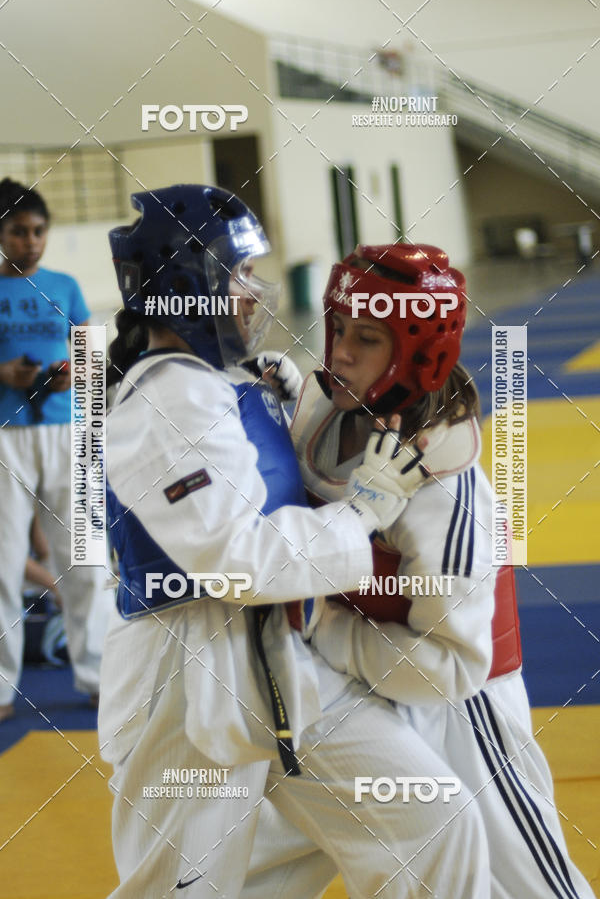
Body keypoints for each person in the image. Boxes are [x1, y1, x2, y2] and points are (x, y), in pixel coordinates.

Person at [98, 185, 492, 899]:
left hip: (276, 663)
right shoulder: (163, 401)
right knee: (184, 889)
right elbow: (237, 559)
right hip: (185, 678)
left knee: (433, 819)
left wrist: (268, 395)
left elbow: (243, 458)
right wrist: (365, 512)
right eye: (240, 274)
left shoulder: (215, 380)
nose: (256, 291)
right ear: (194, 287)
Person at [242, 243, 595, 899]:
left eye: (367, 339)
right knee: (264, 862)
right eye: (338, 327)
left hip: (462, 710)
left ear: (418, 354)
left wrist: (324, 630)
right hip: (344, 694)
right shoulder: (324, 404)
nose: (340, 351)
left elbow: (452, 666)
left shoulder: (445, 489)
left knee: (530, 883)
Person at [0, 177, 108, 721]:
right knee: (1, 565)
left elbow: (92, 357)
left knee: (86, 559)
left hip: (72, 433)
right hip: (5, 435)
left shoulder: (65, 286)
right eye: (19, 231)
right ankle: (0, 689)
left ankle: (98, 676)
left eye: (39, 231)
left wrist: (70, 377)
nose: (31, 241)